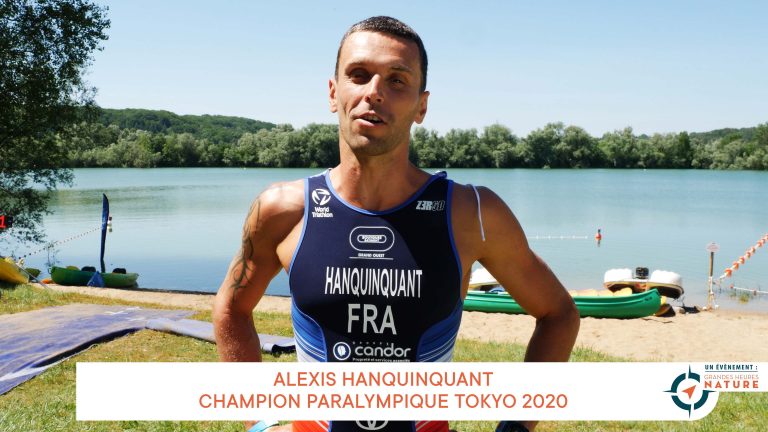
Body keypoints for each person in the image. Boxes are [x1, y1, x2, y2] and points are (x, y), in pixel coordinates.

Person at [213, 16, 580, 432]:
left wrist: (515, 427)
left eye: (397, 80)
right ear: (333, 93)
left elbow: (558, 313)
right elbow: (231, 308)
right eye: (358, 74)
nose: (374, 92)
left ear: (421, 106)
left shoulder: (471, 213)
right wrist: (260, 422)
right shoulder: (283, 209)